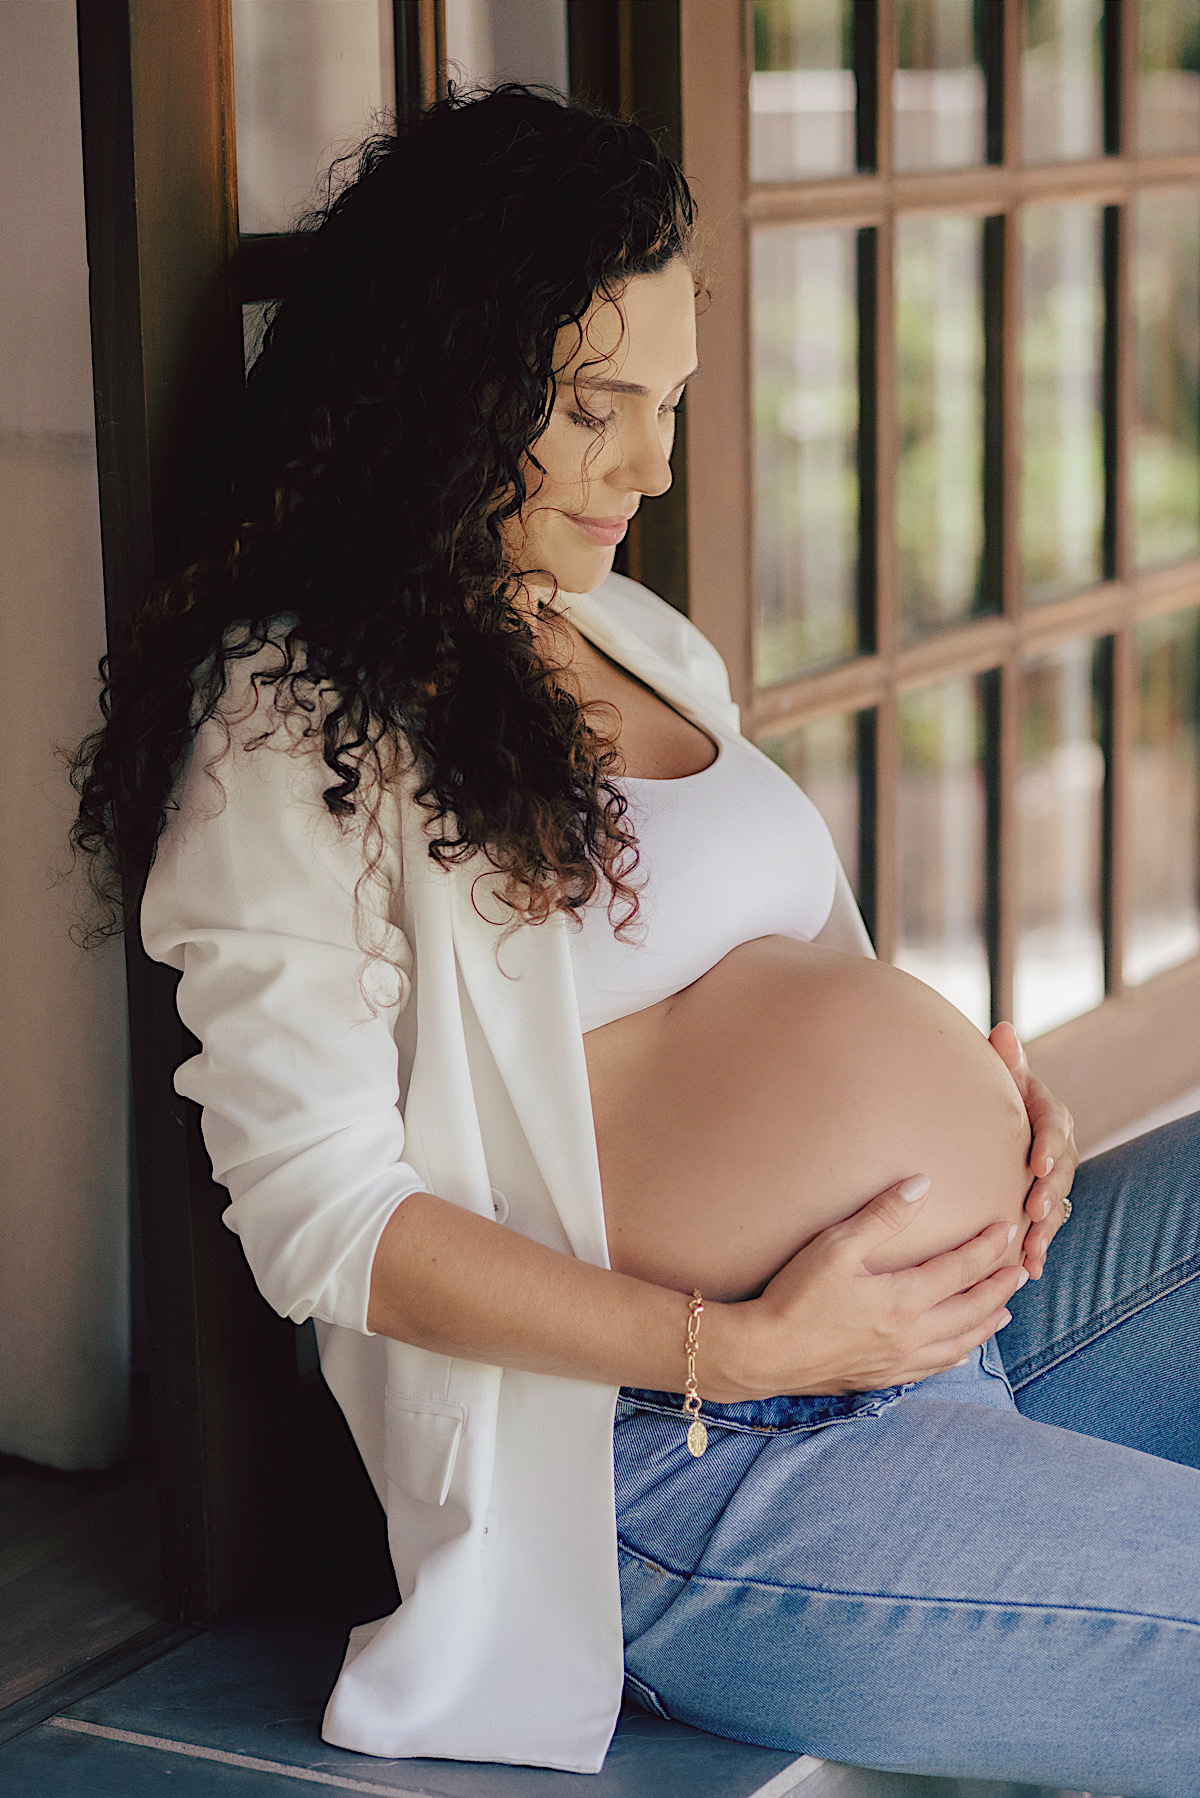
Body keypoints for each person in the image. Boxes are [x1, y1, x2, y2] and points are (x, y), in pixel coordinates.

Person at [70, 85, 1200, 1794]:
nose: (652, 466)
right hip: (690, 1463)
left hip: (952, 1330)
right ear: (444, 387)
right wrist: (735, 1347)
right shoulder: (293, 728)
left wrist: (994, 1122)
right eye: (599, 407)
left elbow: (787, 985)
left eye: (666, 403)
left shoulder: (635, 635)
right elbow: (325, 1222)